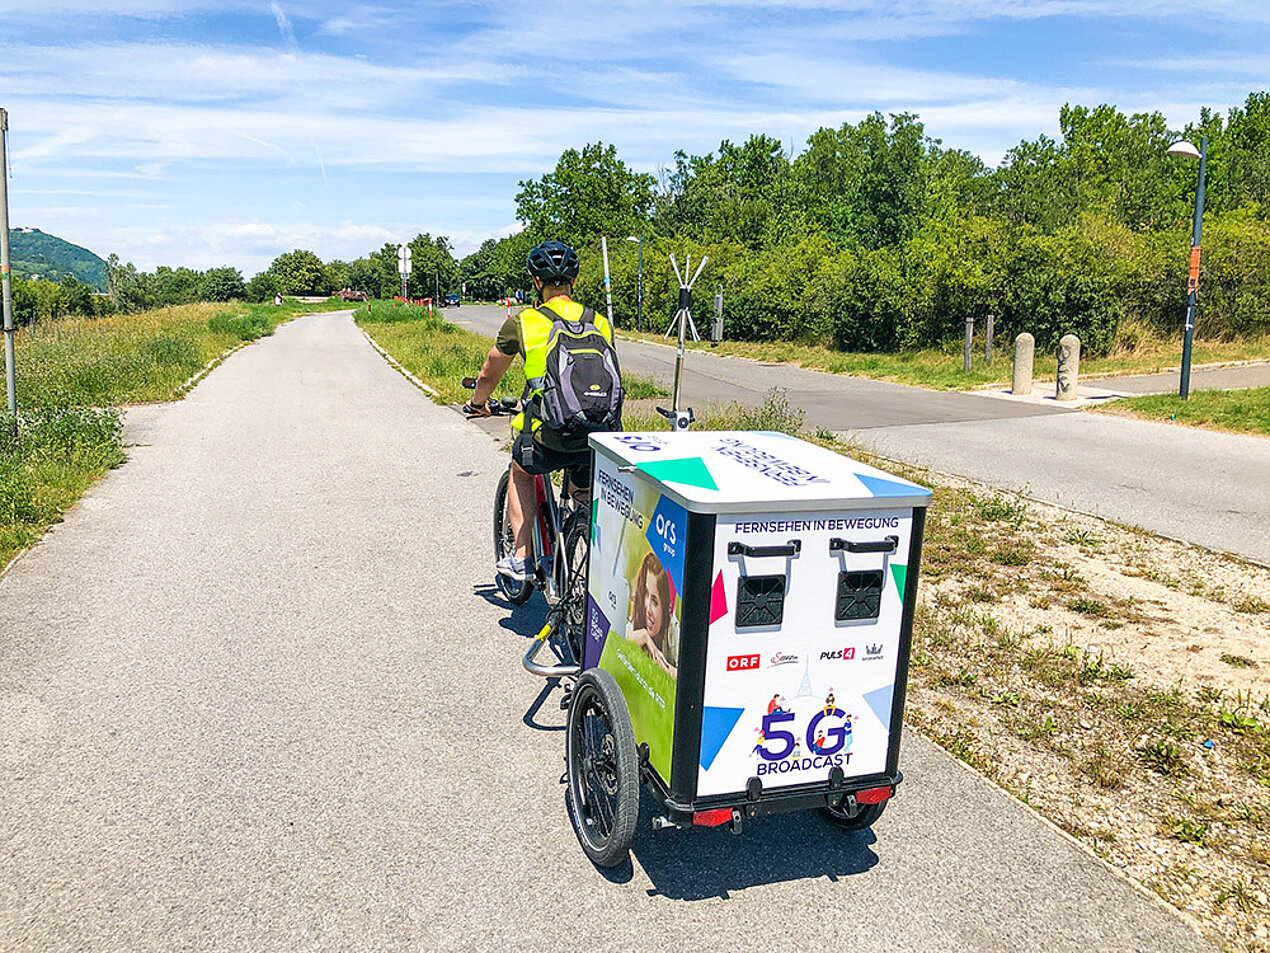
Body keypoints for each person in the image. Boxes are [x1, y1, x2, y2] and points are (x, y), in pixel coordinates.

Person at [464, 239, 616, 581]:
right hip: (598, 433)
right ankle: (587, 551)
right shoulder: (600, 322)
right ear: (573, 281)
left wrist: (478, 402)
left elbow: (490, 369)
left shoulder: (524, 322)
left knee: (521, 469)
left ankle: (521, 557)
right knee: (581, 488)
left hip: (548, 435)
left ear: (536, 282)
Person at [625, 551, 677, 677]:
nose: (647, 608)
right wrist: (643, 636)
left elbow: (689, 674)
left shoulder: (671, 628)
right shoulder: (636, 618)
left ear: (665, 607)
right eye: (645, 594)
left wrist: (662, 666)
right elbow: (614, 636)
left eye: (654, 601)